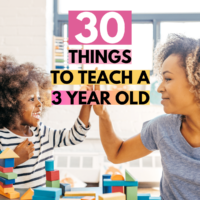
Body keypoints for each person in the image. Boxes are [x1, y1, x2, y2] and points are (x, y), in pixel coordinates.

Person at [93, 34, 200, 200]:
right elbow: (116, 153)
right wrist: (103, 115)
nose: (159, 88)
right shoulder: (162, 128)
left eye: (168, 78)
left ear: (196, 81)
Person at [0, 55, 92, 188]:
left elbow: (75, 137)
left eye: (39, 98)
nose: (39, 103)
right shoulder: (2, 138)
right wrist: (14, 160)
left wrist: (86, 104)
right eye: (31, 99)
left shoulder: (42, 132)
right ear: (11, 104)